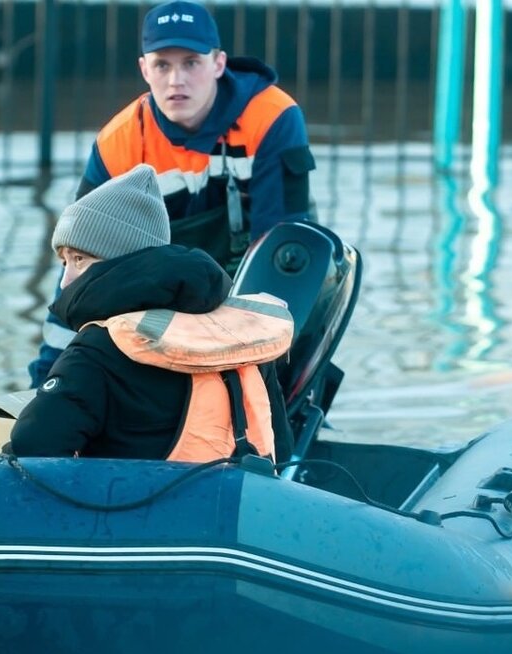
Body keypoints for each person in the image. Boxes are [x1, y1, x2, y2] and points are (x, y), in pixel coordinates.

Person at [28, 0, 315, 386]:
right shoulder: (119, 141)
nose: (176, 80)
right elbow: (82, 266)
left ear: (218, 64)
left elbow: (280, 251)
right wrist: (45, 382)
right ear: (145, 69)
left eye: (191, 63)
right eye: (163, 65)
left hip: (254, 277)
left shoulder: (273, 116)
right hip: (165, 288)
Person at [8, 164, 294, 462]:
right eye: (64, 262)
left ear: (120, 261)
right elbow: (282, 450)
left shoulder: (98, 349)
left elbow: (31, 448)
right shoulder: (244, 339)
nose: (66, 281)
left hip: (139, 506)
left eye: (78, 259)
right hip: (242, 503)